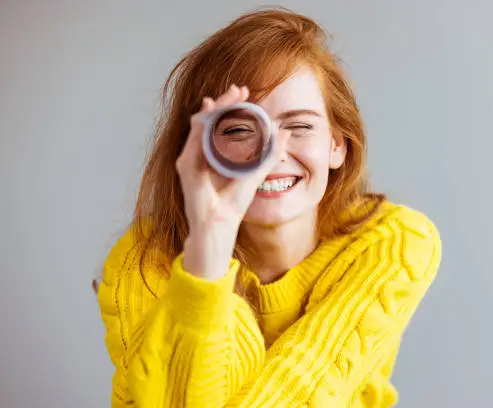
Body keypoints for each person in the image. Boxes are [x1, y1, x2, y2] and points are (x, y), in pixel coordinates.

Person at [96, 7, 442, 408]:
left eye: (299, 126)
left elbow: (302, 388)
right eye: (241, 129)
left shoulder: (393, 242)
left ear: (337, 145)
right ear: (198, 148)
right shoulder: (142, 262)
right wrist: (207, 252)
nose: (272, 153)